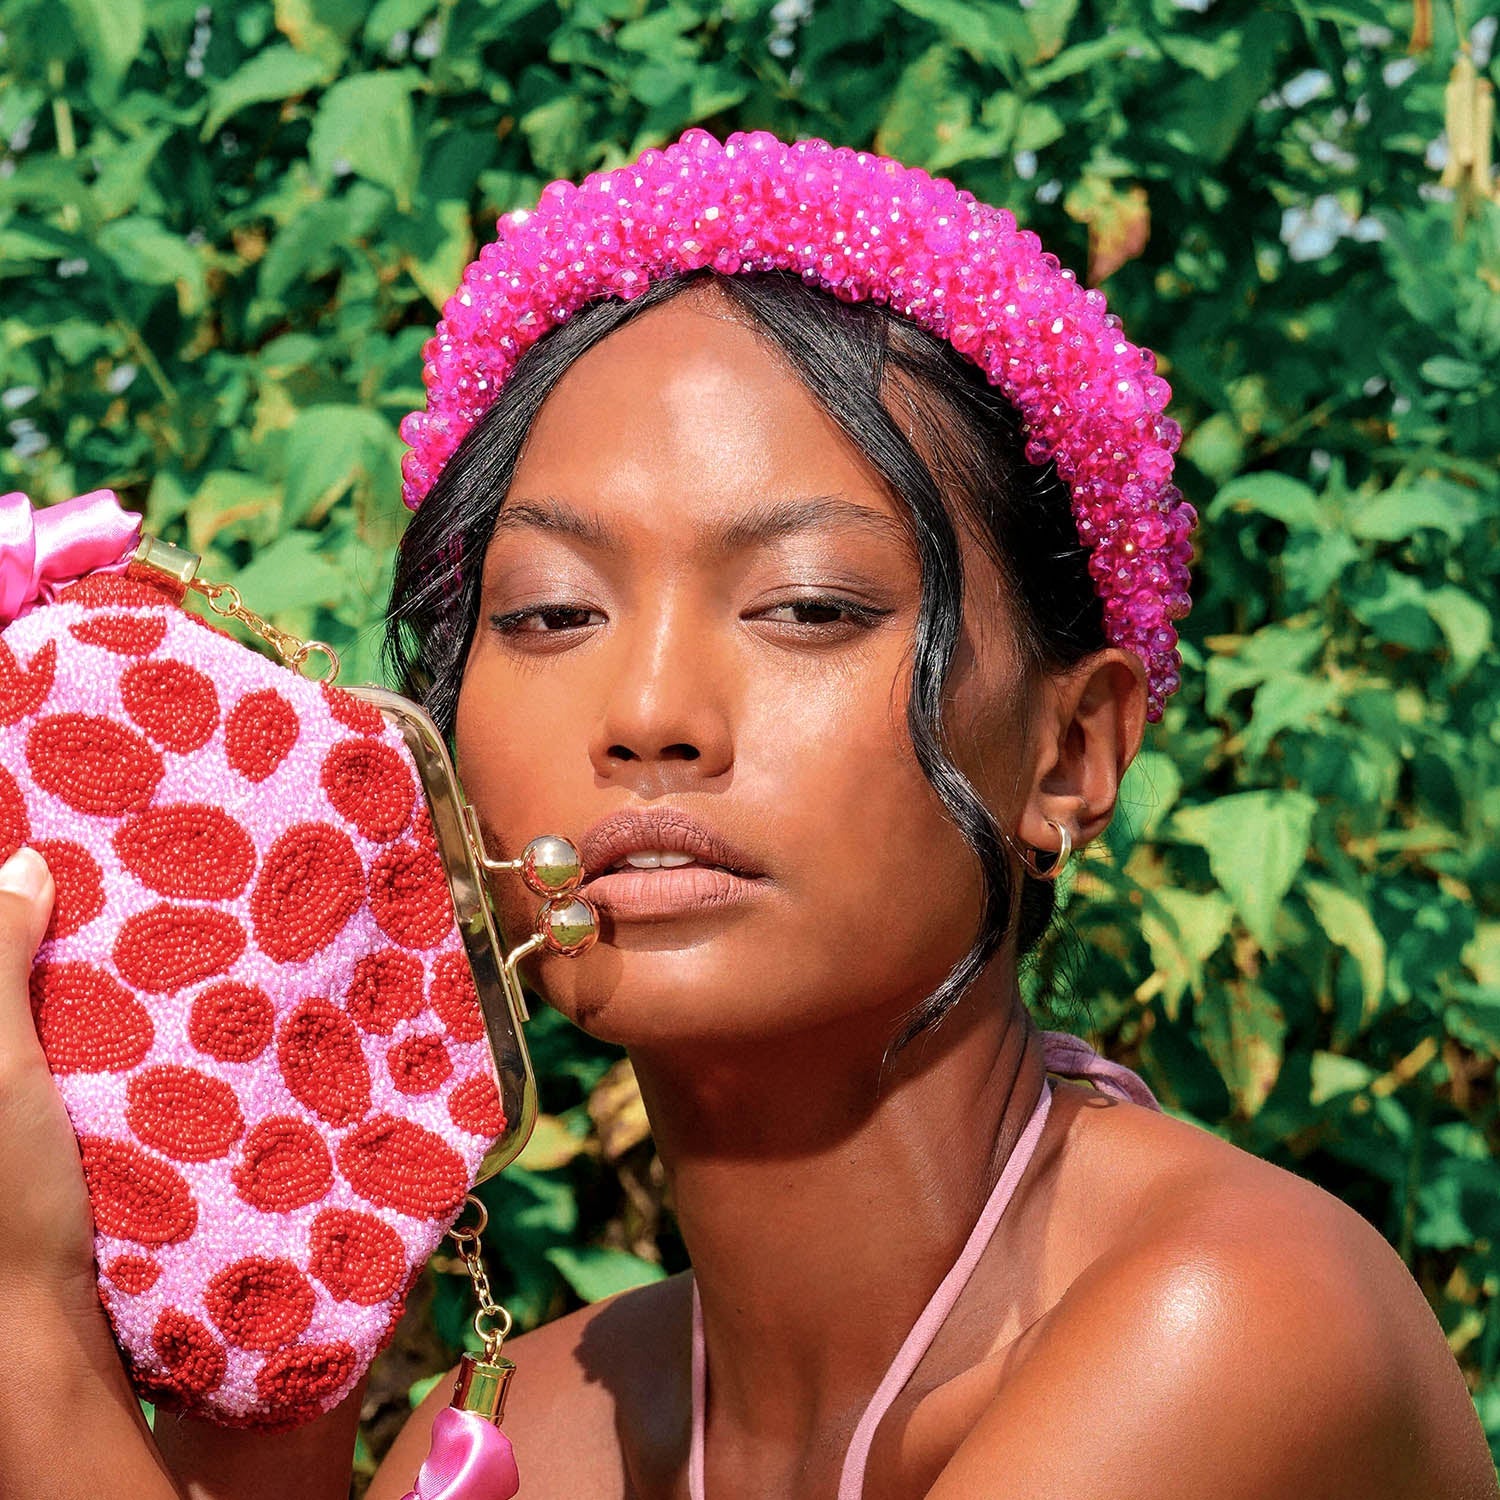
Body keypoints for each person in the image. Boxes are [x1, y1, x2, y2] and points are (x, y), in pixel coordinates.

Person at [0, 130, 1493, 1500]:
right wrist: (255, 1316)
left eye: (807, 607)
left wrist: (27, 1339)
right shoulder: (545, 1428)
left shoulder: (1232, 1321)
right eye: (549, 613)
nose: (648, 711)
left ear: (1072, 753)